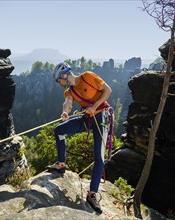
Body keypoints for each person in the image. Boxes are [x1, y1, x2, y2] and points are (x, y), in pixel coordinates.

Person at [47, 62, 113, 214]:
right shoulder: (70, 91)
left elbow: (107, 90)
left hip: (102, 117)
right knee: (59, 130)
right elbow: (68, 103)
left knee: (99, 157)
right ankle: (61, 163)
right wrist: (65, 112)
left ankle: (92, 194)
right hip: (87, 117)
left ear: (64, 75)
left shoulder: (87, 76)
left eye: (59, 81)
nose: (59, 84)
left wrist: (95, 106)